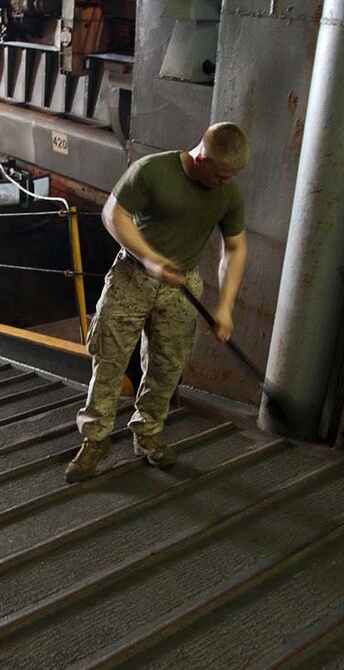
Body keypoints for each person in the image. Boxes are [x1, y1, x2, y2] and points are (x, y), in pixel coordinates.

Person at [65, 122, 250, 483]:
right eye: (222, 174)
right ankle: (95, 441)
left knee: (167, 366)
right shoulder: (152, 171)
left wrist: (225, 306)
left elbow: (236, 247)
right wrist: (150, 259)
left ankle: (147, 434)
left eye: (233, 176)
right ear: (200, 158)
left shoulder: (228, 194)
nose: (226, 183)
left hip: (182, 285)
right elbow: (112, 215)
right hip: (133, 274)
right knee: (109, 360)